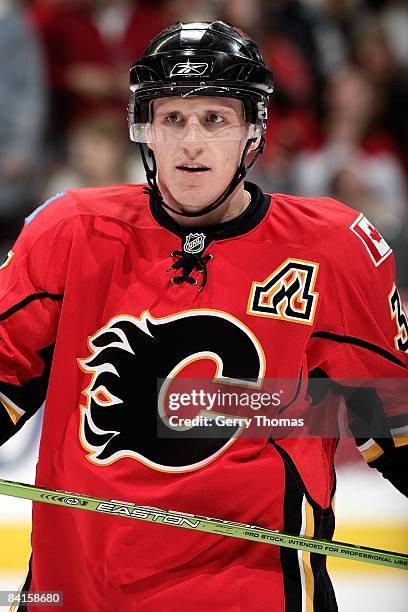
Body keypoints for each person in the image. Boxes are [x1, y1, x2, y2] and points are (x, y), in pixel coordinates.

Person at [0, 21, 407, 612]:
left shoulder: (334, 251)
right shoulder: (69, 232)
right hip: (76, 595)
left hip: (249, 595)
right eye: (173, 119)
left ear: (251, 131)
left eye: (215, 119)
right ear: (146, 128)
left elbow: (391, 422)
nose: (192, 142)